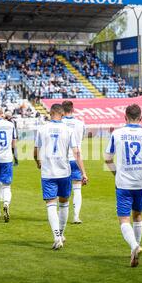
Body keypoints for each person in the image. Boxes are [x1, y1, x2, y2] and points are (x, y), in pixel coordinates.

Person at [104, 104, 142, 268]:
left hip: (123, 183)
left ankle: (134, 246)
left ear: (125, 117)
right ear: (141, 118)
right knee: (137, 215)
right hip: (140, 182)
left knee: (124, 218)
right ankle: (133, 253)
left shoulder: (117, 134)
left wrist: (116, 174)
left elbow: (107, 159)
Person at [34, 104, 88, 250]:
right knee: (64, 203)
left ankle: (57, 237)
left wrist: (38, 162)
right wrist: (83, 172)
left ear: (50, 113)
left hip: (48, 172)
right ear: (62, 114)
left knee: (51, 204)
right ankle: (61, 233)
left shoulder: (42, 129)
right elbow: (76, 153)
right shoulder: (68, 130)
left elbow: (36, 150)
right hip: (64, 172)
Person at [61, 101, 86, 224]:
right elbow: (81, 139)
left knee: (61, 190)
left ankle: (60, 215)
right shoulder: (80, 124)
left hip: (62, 160)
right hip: (76, 159)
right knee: (77, 189)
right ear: (73, 109)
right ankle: (76, 216)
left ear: (62, 110)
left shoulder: (59, 124)